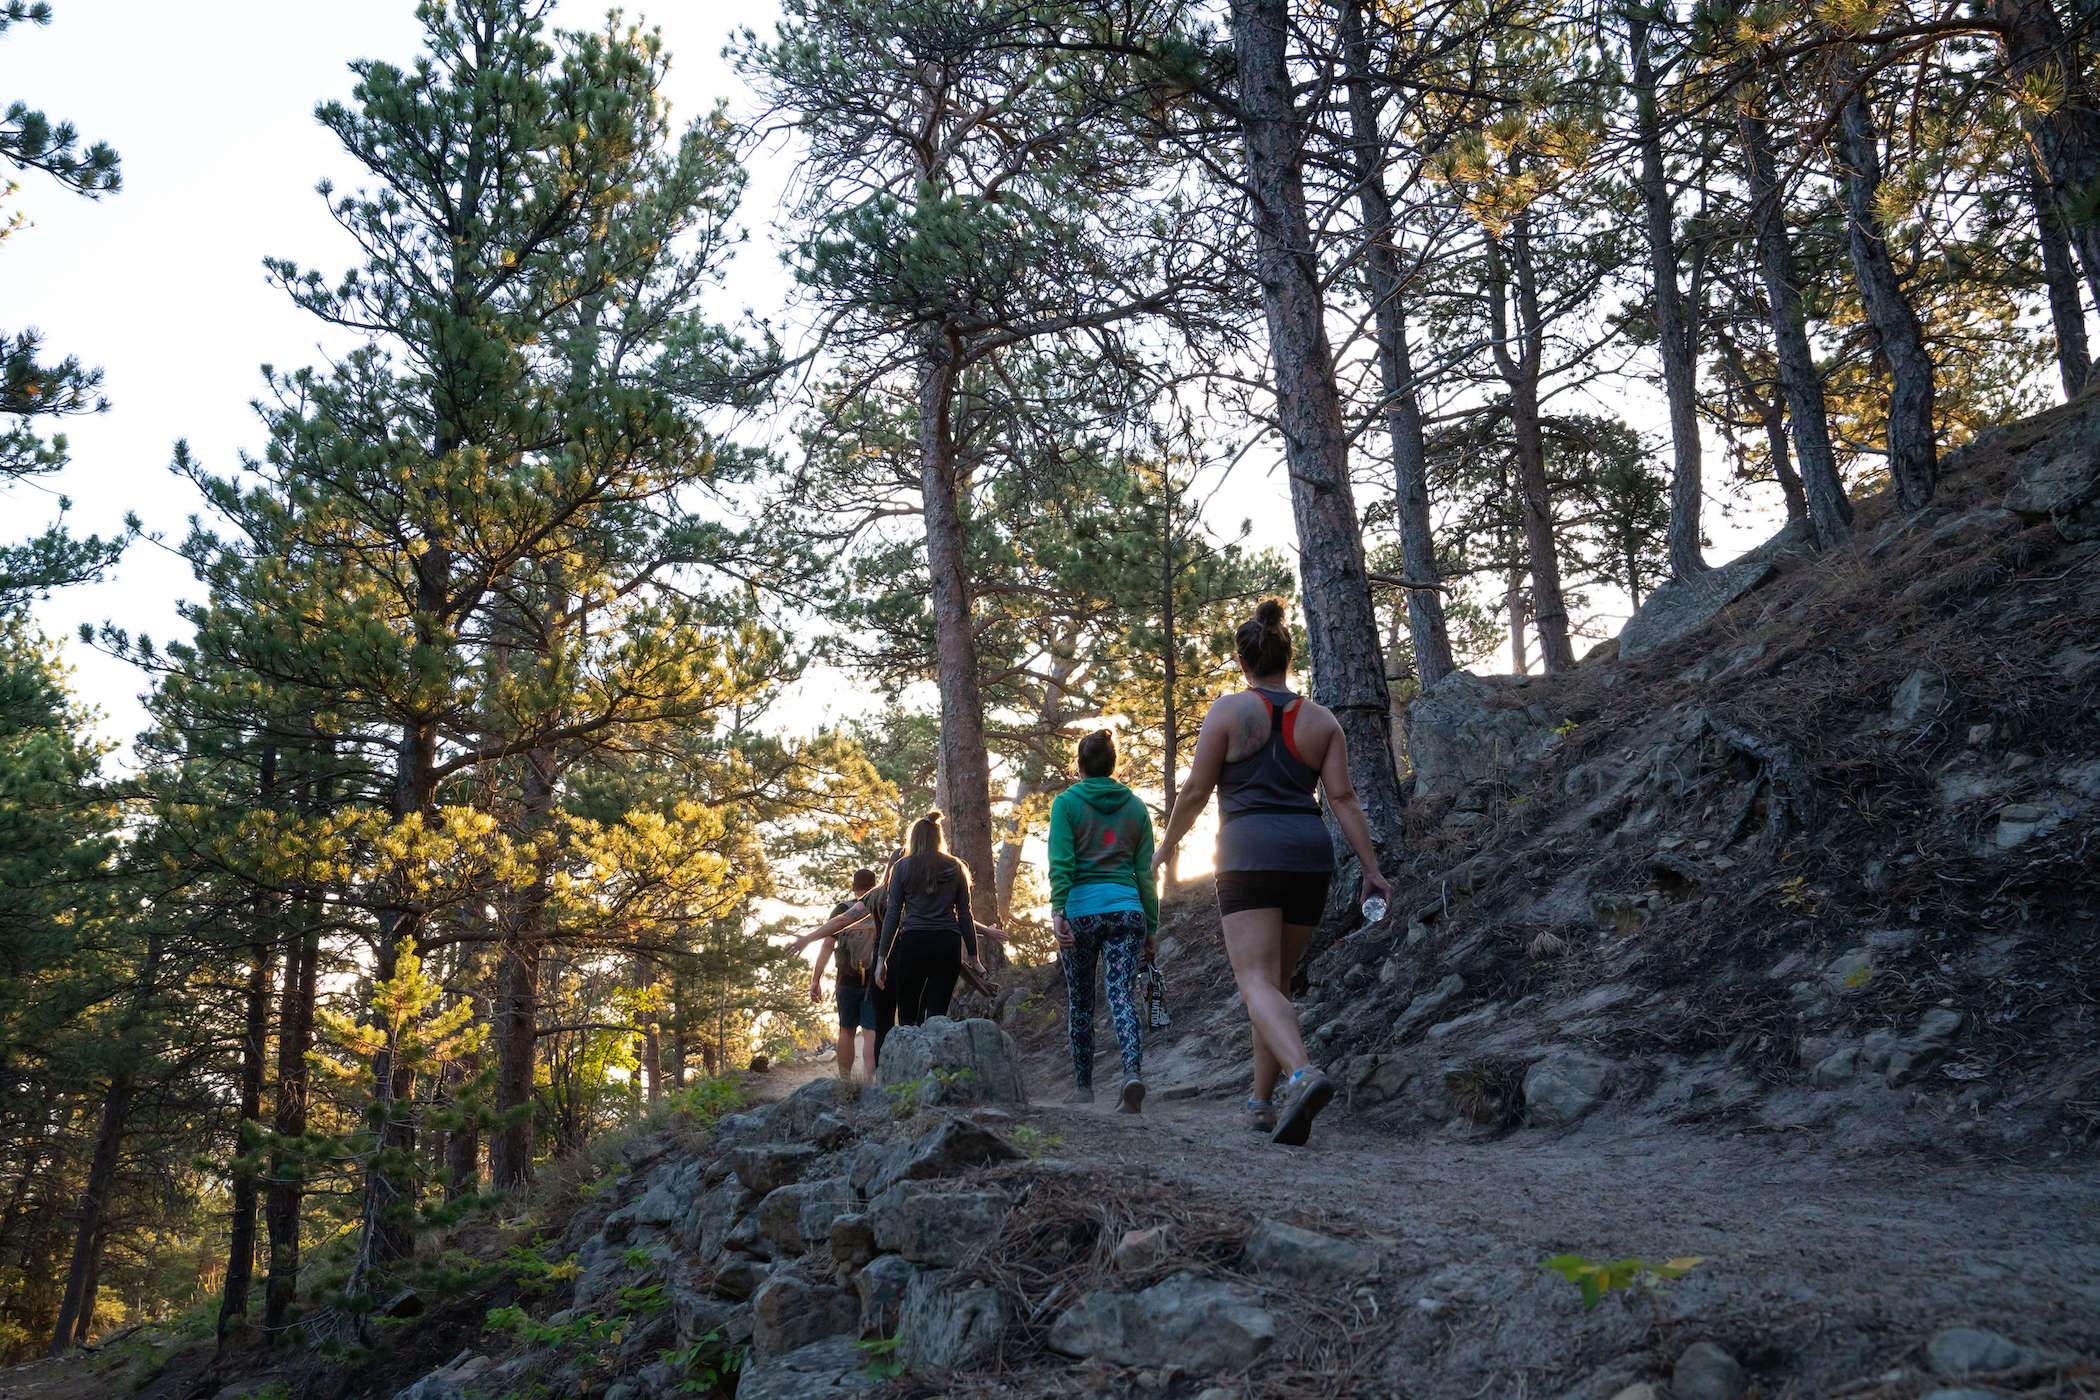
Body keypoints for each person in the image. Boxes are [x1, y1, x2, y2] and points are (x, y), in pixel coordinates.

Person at [1153, 598, 1391, 1147]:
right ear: (1289, 654)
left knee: (1254, 981)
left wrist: (1166, 848)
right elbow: (1345, 798)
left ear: (1243, 662)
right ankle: (1261, 1105)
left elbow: (1194, 791)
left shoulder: (1229, 713)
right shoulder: (1322, 720)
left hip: (1248, 853)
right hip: (1310, 855)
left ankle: (1302, 1075)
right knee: (1275, 984)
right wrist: (1372, 868)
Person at [1048, 729, 1159, 1113]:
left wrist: (1058, 909)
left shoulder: (1066, 804)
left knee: (1081, 1003)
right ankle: (1132, 1073)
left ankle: (1083, 1088)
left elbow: (1062, 862)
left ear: (1079, 766)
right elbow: (1145, 873)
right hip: (1127, 910)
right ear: (1114, 765)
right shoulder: (1136, 807)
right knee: (1121, 995)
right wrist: (1152, 925)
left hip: (1080, 912)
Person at [873, 812, 982, 1052]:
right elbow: (965, 914)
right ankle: (937, 1070)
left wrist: (882, 959)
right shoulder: (955, 867)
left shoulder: (901, 868)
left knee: (908, 1017)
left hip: (914, 945)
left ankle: (911, 1075)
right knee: (937, 1017)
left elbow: (892, 915)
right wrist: (974, 957)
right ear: (939, 837)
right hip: (947, 944)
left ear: (913, 839)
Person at [806, 868, 882, 1083]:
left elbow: (828, 945)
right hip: (873, 979)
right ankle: (870, 1082)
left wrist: (816, 979)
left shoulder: (843, 909)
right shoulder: (879, 907)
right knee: (870, 1031)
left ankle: (846, 1082)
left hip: (847, 979)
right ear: (875, 886)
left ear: (853, 887)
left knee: (846, 1030)